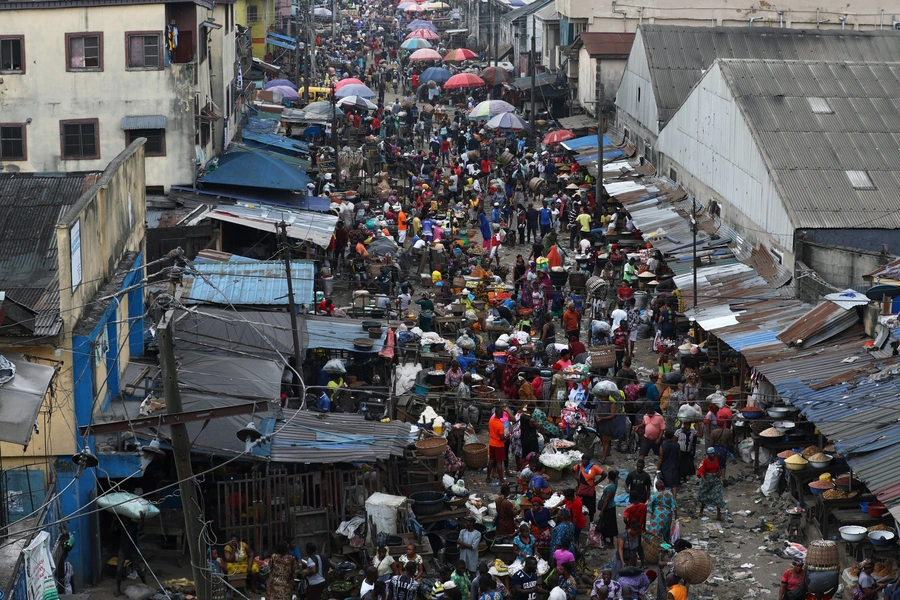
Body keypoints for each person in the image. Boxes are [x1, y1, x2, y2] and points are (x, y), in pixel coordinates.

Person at [115, 517, 147, 596]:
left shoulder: (134, 525)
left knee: (137, 568)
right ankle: (118, 589)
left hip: (132, 550)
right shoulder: (121, 525)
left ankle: (145, 584)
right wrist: (113, 521)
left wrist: (143, 520)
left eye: (126, 518)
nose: (125, 519)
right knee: (119, 569)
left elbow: (141, 528)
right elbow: (112, 530)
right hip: (123, 550)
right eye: (124, 518)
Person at [697, 448, 726, 521]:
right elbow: (701, 471)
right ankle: (701, 511)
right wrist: (704, 481)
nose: (712, 455)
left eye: (713, 453)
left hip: (716, 480)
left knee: (718, 496)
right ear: (708, 454)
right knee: (704, 496)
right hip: (707, 479)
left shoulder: (716, 459)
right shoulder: (705, 461)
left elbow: (718, 467)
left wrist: (719, 473)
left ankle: (718, 515)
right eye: (711, 454)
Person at [596, 469, 619, 548]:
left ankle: (609, 542)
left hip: (608, 508)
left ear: (608, 477)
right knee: (611, 524)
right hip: (612, 506)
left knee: (607, 525)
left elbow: (607, 500)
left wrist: (602, 511)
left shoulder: (610, 487)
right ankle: (609, 542)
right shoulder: (615, 483)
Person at [488, 406, 508, 485]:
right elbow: (502, 438)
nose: (503, 415)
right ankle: (502, 480)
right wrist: (507, 436)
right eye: (502, 413)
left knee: (491, 460)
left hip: (492, 442)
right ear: (499, 414)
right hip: (498, 445)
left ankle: (488, 477)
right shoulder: (500, 425)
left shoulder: (491, 421)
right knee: (499, 463)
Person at [657, 430, 682, 495]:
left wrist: (657, 468)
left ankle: (664, 499)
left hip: (665, 467)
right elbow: (679, 456)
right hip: (674, 466)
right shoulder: (677, 445)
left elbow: (660, 458)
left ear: (665, 437)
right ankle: (674, 499)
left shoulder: (662, 446)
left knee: (663, 483)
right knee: (674, 484)